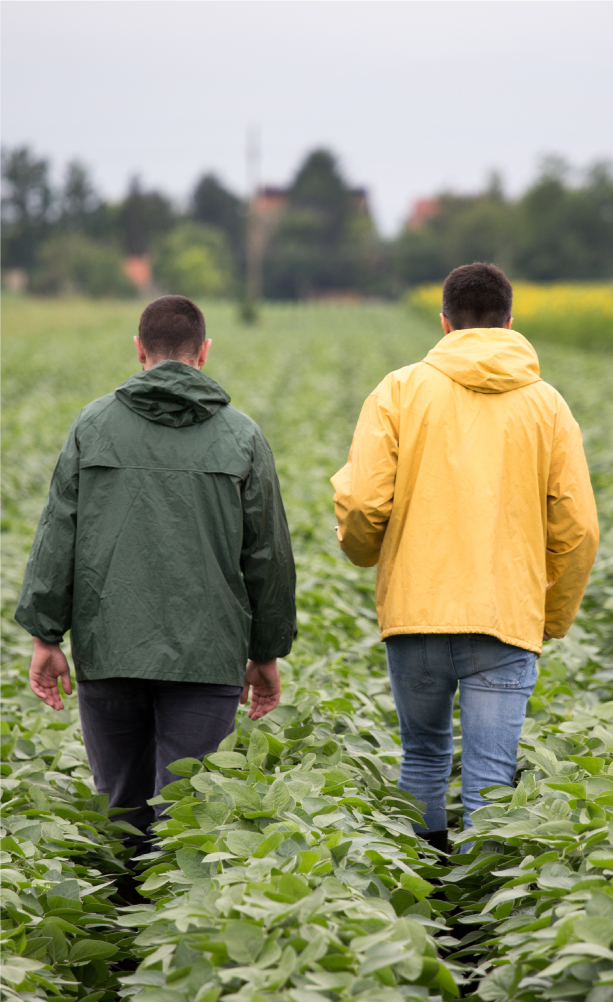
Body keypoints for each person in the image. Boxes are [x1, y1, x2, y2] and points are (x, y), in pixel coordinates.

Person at [331, 262, 598, 853]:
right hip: (506, 620)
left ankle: (420, 905)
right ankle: (484, 925)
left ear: (445, 322)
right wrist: (548, 616)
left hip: (417, 613)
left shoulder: (399, 389)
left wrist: (366, 553)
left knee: (423, 758)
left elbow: (362, 505)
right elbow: (578, 528)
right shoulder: (547, 405)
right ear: (509, 322)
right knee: (489, 783)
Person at [16, 295, 296, 849]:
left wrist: (45, 636)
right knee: (188, 818)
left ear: (140, 350)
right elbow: (267, 556)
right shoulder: (241, 436)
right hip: (208, 654)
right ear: (204, 353)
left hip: (111, 646)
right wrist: (266, 652)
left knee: (122, 807)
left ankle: (121, 918)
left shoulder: (92, 425)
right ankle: (176, 929)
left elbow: (58, 534)